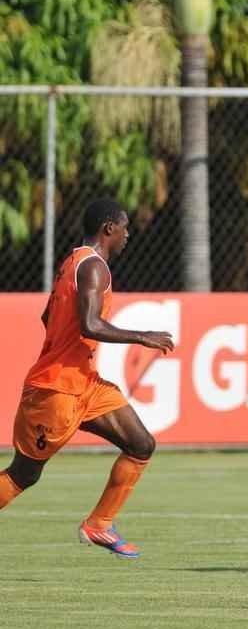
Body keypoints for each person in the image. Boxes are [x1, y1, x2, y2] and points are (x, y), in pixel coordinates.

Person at [0, 199, 174, 558]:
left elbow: (48, 318)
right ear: (108, 228)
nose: (128, 236)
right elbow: (90, 324)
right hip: (57, 390)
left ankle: (99, 525)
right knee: (24, 475)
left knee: (141, 444)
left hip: (85, 384)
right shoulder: (93, 267)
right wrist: (142, 336)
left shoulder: (73, 262)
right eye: (125, 228)